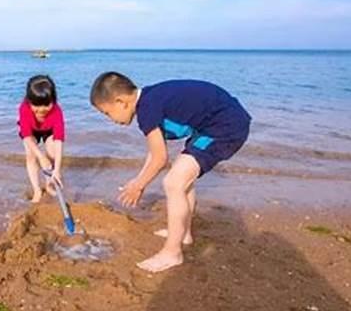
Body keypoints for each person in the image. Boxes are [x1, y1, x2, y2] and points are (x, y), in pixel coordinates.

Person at [90, 72, 251, 272]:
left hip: (225, 127)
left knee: (174, 182)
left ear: (121, 101)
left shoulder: (147, 109)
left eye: (107, 113)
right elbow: (155, 152)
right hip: (215, 123)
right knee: (181, 177)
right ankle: (184, 233)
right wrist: (138, 179)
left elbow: (160, 159)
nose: (110, 119)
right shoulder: (150, 100)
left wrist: (139, 186)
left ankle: (172, 253)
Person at [18, 75, 65, 203]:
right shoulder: (24, 109)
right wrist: (40, 156)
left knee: (52, 152)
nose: (41, 109)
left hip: (48, 130)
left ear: (53, 100)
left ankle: (49, 184)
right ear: (29, 101)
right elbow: (27, 136)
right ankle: (37, 189)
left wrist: (57, 169)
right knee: (31, 155)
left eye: (46, 105)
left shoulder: (57, 111)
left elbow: (59, 141)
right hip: (31, 132)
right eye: (36, 105)